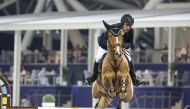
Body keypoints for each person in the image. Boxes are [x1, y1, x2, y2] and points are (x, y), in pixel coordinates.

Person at [86, 14, 143, 86]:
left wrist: (126, 45)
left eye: (130, 25)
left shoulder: (131, 31)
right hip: (106, 46)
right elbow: (103, 40)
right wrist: (111, 47)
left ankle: (134, 79)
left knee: (129, 59)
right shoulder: (113, 28)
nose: (128, 27)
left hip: (121, 48)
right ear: (122, 23)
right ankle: (93, 77)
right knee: (98, 58)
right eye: (127, 25)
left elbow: (131, 44)